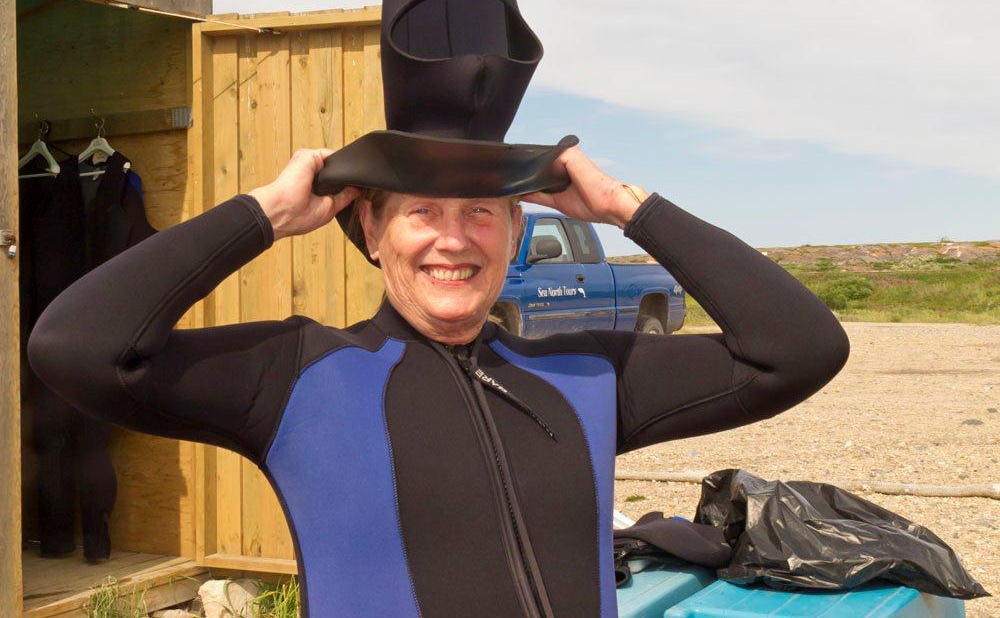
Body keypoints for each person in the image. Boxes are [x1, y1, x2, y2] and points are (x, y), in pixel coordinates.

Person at [27, 142, 850, 617]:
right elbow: (75, 346)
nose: (453, 240)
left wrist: (628, 208)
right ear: (372, 231)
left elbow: (801, 347)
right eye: (423, 210)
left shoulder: (587, 373)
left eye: (480, 211)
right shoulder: (296, 375)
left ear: (516, 231)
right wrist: (266, 215)